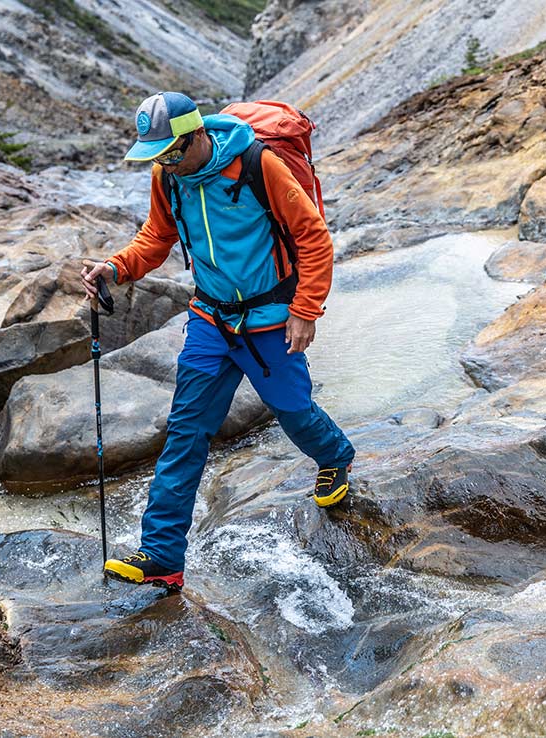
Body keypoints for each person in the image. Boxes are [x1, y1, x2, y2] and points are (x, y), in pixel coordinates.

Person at [80, 92, 354, 591]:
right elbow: (155, 237)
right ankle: (162, 556)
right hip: (209, 319)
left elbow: (313, 237)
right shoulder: (168, 177)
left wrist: (306, 311)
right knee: (186, 431)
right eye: (157, 155)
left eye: (172, 152)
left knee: (292, 411)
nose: (166, 162)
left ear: (197, 134)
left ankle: (335, 455)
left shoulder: (258, 164)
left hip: (272, 317)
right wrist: (117, 267)